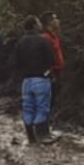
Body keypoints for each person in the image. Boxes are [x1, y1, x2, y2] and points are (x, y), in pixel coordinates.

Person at [14, 16, 56, 144]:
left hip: (26, 81)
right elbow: (51, 60)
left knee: (28, 108)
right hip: (41, 79)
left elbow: (15, 62)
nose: (40, 25)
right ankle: (42, 136)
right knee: (42, 108)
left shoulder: (19, 42)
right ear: (34, 26)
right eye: (38, 23)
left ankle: (31, 137)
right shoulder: (43, 41)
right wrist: (48, 72)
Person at [40, 11, 66, 116]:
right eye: (55, 18)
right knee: (47, 102)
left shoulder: (54, 37)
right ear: (49, 22)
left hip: (57, 73)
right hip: (51, 74)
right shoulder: (45, 38)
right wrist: (49, 74)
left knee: (52, 101)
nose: (58, 21)